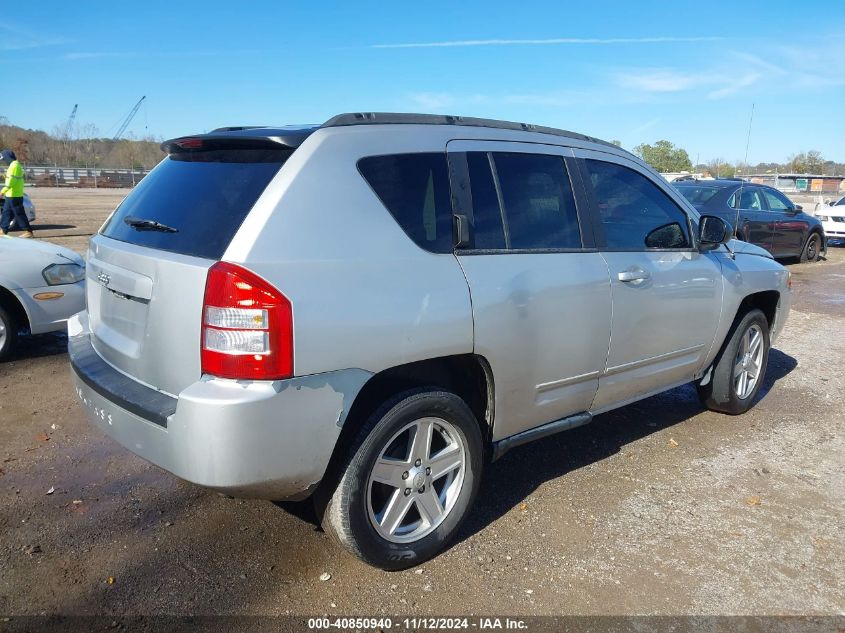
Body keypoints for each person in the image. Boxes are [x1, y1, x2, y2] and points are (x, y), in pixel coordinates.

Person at [0, 149, 32, 238]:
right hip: (11, 195)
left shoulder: (14, 166)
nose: (4, 161)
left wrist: (2, 192)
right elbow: (11, 178)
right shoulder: (14, 166)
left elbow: (11, 181)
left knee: (19, 213)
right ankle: (3, 230)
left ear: (7, 157)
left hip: (14, 195)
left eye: (4, 159)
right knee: (6, 212)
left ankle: (28, 231)